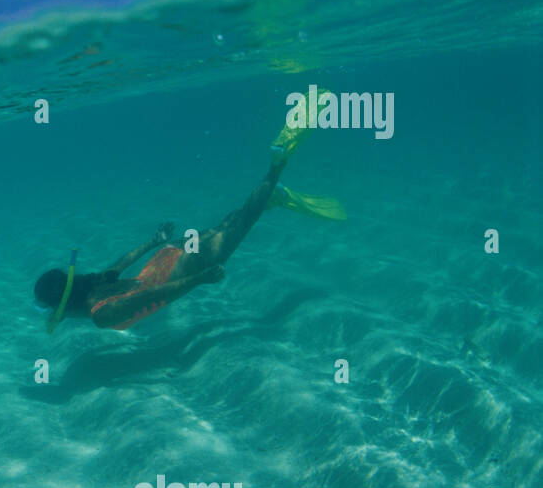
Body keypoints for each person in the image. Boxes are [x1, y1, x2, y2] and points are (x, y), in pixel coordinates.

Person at [35, 116, 345, 332]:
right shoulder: (93, 284)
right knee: (229, 224)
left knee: (241, 224)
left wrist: (201, 279)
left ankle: (276, 166)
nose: (59, 318)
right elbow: (121, 264)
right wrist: (155, 241)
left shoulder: (100, 314)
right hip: (164, 259)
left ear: (65, 307)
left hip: (179, 271)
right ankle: (271, 195)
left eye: (57, 313)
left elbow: (156, 297)